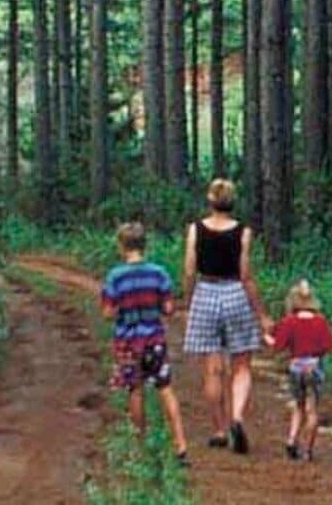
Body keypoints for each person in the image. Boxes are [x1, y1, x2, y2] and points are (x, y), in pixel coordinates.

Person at [178, 178, 266, 454]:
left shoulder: (196, 230)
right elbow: (246, 275)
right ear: (232, 201)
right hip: (235, 294)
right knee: (241, 365)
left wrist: (188, 300)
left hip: (206, 291)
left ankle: (218, 429)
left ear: (210, 200)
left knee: (212, 368)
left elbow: (190, 270)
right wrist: (260, 312)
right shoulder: (243, 232)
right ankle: (237, 417)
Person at [101, 222, 189, 456]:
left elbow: (108, 312)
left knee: (135, 390)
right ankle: (180, 444)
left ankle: (140, 447)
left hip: (128, 342)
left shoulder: (115, 277)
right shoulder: (158, 273)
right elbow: (169, 308)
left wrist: (124, 310)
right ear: (144, 245)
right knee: (166, 388)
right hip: (154, 340)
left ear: (121, 246)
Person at [268, 281, 332, 462]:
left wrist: (266, 336)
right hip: (314, 366)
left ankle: (291, 440)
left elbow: (278, 346)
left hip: (296, 367)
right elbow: (329, 346)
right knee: (312, 409)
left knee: (297, 406)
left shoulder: (289, 322)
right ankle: (308, 450)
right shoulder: (320, 322)